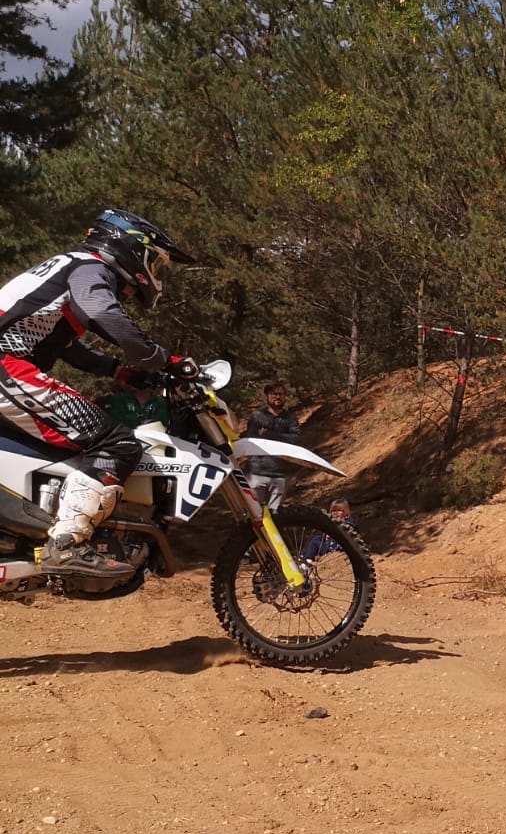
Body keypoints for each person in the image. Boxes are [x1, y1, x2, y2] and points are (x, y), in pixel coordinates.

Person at [0, 208, 196, 578]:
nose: (154, 275)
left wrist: (118, 370)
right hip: (6, 367)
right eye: (155, 262)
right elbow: (105, 313)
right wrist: (164, 359)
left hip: (9, 365)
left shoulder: (68, 269)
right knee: (117, 443)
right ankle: (66, 545)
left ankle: (26, 535)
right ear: (132, 248)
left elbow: (65, 345)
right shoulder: (90, 267)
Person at [243, 381, 300, 511]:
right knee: (253, 512)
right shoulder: (257, 417)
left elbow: (295, 440)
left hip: (280, 473)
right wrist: (282, 437)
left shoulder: (290, 419)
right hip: (256, 472)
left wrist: (269, 434)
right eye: (274, 394)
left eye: (281, 394)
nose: (278, 397)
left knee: (275, 514)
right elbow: (252, 440)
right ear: (267, 396)